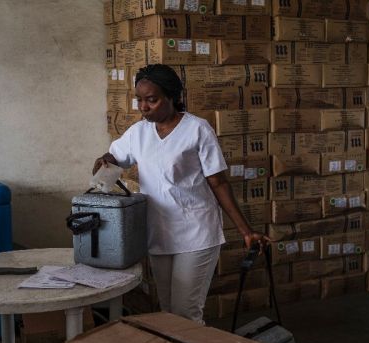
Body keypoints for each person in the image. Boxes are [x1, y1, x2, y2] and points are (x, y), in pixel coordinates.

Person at [93, 64, 267, 323]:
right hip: (160, 232)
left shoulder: (197, 130)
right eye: (140, 100)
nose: (143, 107)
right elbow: (116, 157)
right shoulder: (138, 133)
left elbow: (218, 182)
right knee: (167, 312)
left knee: (186, 312)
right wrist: (104, 160)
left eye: (151, 100)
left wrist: (245, 231)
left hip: (196, 231)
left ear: (172, 97)